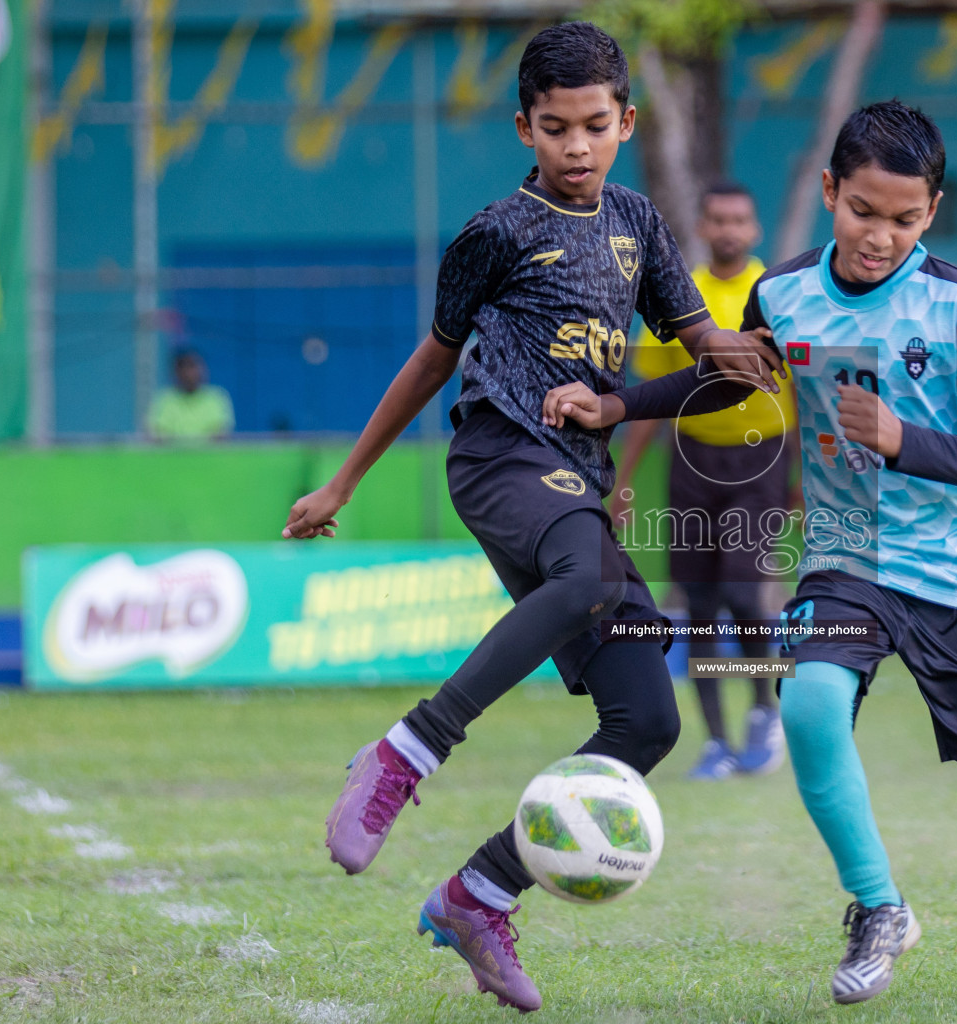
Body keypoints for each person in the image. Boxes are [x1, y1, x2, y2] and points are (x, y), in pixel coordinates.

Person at [280, 22, 781, 1014]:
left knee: (647, 719)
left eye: (596, 125)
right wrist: (343, 482)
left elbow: (716, 380)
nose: (578, 146)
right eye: (556, 129)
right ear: (526, 128)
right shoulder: (494, 233)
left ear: (627, 122)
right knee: (589, 579)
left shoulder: (640, 225)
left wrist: (755, 349)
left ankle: (479, 894)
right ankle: (404, 754)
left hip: (576, 480)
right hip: (499, 455)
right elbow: (430, 361)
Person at [543, 101, 957, 1010]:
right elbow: (730, 375)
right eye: (864, 211)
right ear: (831, 192)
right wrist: (617, 406)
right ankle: (878, 908)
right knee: (808, 706)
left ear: (932, 212)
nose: (880, 236)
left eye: (904, 220)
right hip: (848, 557)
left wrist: (904, 439)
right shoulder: (785, 292)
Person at [613, 181, 795, 781]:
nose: (728, 230)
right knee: (698, 605)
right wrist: (623, 483)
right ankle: (716, 742)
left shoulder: (779, 294)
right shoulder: (677, 298)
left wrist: (808, 475)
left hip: (762, 465)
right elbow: (647, 402)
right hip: (691, 464)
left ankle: (765, 712)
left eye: (739, 220)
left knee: (745, 596)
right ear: (702, 226)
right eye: (717, 219)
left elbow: (812, 392)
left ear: (755, 230)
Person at [147, 349, 234, 441]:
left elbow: (221, 435)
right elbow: (157, 435)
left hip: (208, 455)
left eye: (194, 367)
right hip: (173, 455)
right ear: (176, 372)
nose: (189, 374)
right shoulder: (164, 399)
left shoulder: (216, 397)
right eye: (184, 368)